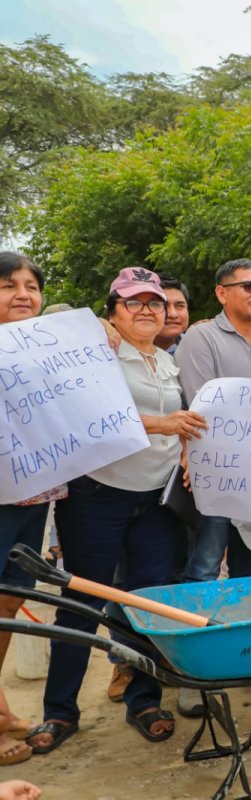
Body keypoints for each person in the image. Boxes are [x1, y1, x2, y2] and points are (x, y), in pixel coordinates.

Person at [28, 267, 207, 755]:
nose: (147, 310)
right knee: (82, 605)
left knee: (144, 604)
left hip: (155, 502)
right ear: (113, 312)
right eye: (133, 302)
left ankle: (144, 700)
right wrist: (163, 424)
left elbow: (186, 422)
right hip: (97, 497)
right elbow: (88, 416)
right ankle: (59, 711)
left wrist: (185, 448)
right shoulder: (94, 355)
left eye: (155, 302)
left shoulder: (170, 362)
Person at [174, 258, 251, 583]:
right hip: (215, 476)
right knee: (204, 569)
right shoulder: (200, 339)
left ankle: (238, 634)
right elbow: (203, 410)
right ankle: (197, 631)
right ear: (222, 293)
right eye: (249, 286)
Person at [0, 253, 54, 765]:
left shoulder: (46, 350)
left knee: (10, 602)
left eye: (30, 285)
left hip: (32, 494)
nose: (22, 294)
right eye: (8, 285)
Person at [153, 275, 190, 354]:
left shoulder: (199, 347)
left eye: (180, 306)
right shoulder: (122, 350)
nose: (173, 314)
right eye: (163, 306)